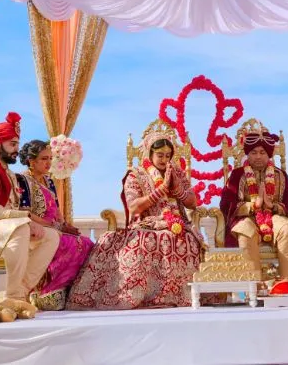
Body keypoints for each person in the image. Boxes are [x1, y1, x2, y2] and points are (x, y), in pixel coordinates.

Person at [67, 133, 202, 310]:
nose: (164, 159)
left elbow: (192, 203)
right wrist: (159, 191)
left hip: (177, 223)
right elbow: (134, 207)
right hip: (147, 224)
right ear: (149, 154)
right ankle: (135, 296)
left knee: (190, 241)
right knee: (142, 242)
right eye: (160, 155)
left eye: (167, 156)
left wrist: (178, 190)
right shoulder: (136, 175)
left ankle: (183, 295)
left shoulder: (176, 173)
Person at [0, 112, 59, 315]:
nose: (16, 150)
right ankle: (14, 296)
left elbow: (17, 208)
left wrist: (28, 219)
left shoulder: (8, 172)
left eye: (17, 144)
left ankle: (18, 293)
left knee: (51, 236)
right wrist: (23, 219)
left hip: (6, 226)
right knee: (21, 227)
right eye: (12, 144)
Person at [16, 140, 94, 311]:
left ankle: (67, 292)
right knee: (68, 244)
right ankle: (45, 292)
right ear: (31, 160)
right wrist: (52, 226)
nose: (48, 163)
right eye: (44, 159)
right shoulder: (22, 180)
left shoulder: (49, 181)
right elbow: (25, 211)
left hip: (54, 227)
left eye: (50, 158)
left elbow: (56, 209)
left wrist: (65, 225)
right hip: (36, 228)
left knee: (86, 243)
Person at [220, 128, 288, 279]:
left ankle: (286, 283)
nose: (258, 156)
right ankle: (255, 285)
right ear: (247, 154)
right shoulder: (237, 175)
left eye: (262, 152)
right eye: (254, 152)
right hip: (247, 217)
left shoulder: (280, 175)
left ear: (269, 155)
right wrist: (252, 205)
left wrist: (272, 206)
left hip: (274, 216)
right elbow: (226, 203)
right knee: (245, 232)